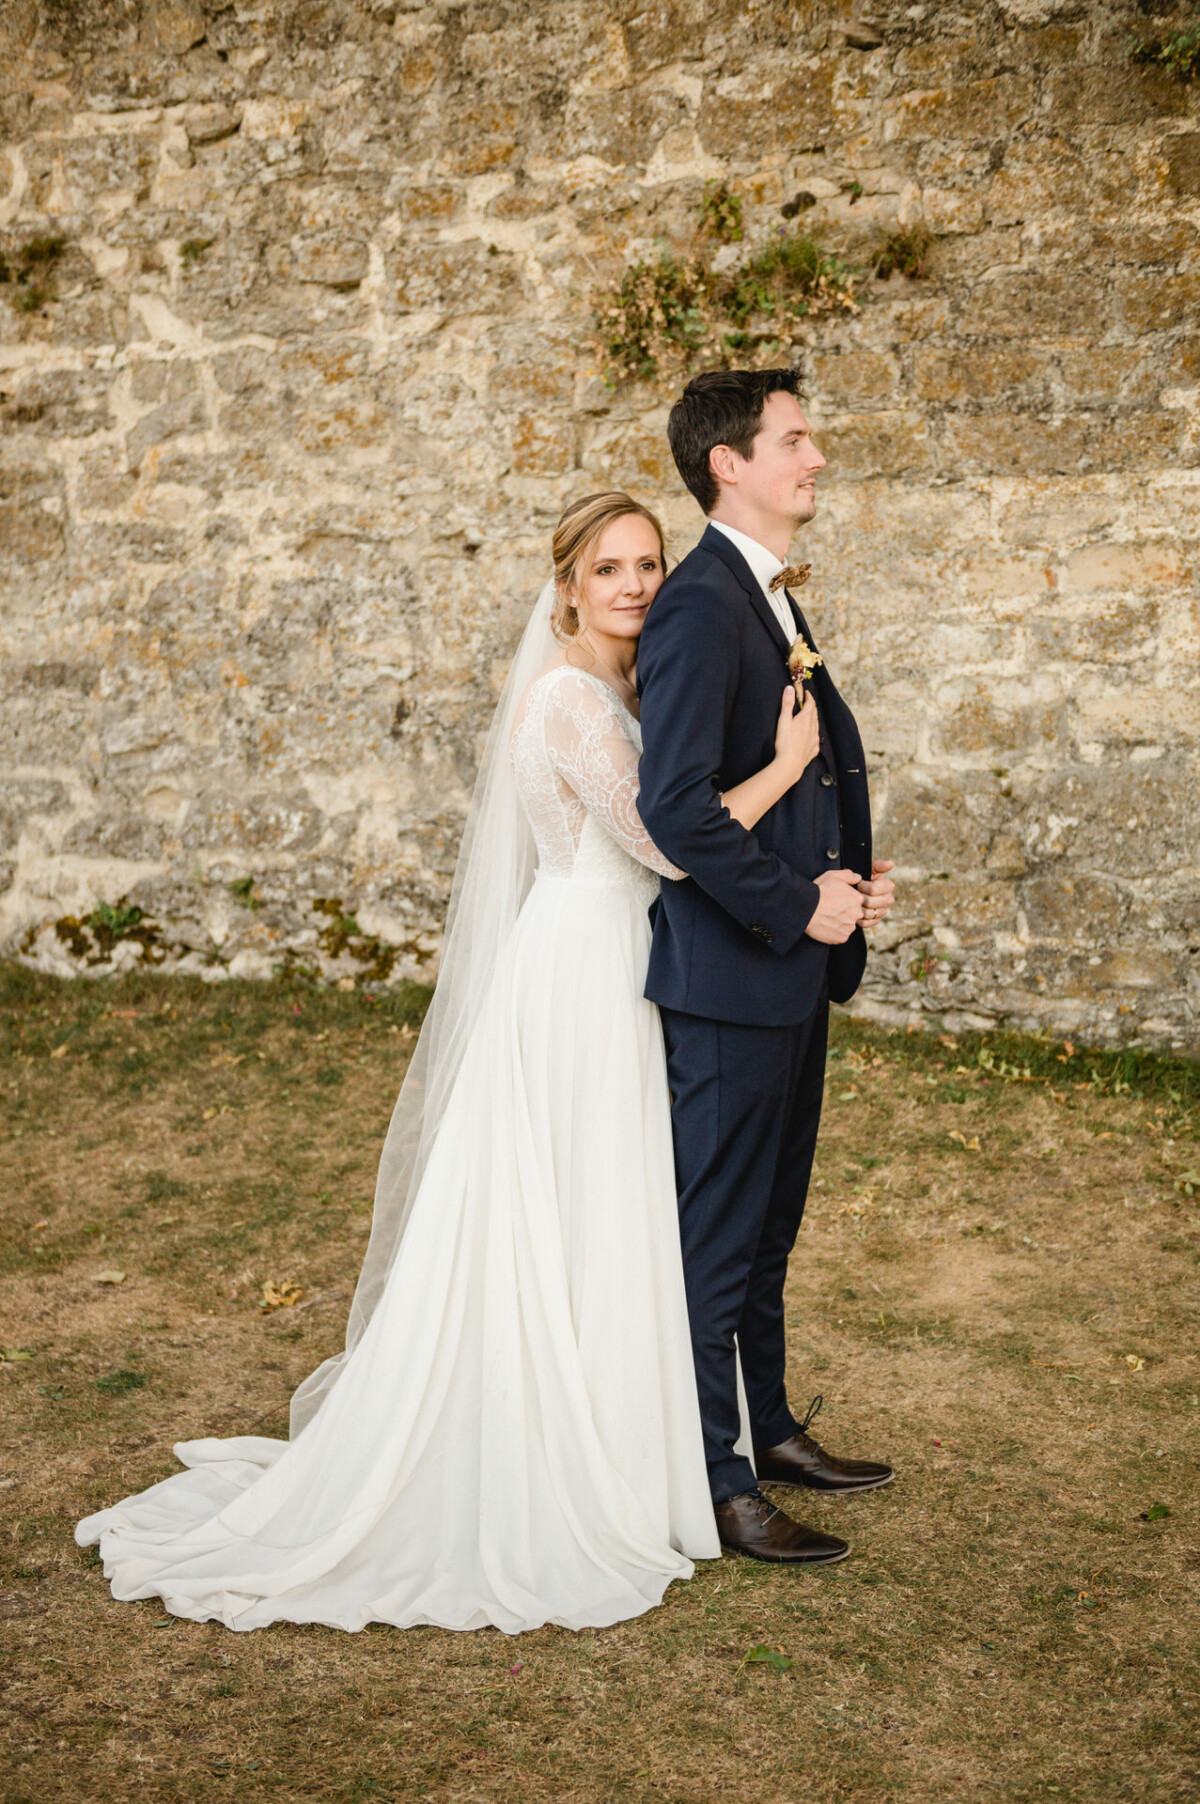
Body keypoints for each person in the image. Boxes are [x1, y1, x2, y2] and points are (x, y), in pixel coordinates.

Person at [76, 491, 827, 1633]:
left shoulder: (627, 688)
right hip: (585, 968)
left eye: (648, 565)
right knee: (582, 1201)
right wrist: (785, 764)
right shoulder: (571, 699)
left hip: (618, 957)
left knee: (610, 1210)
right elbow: (667, 846)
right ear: (566, 584)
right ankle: (570, 1448)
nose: (633, 584)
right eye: (609, 568)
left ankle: (635, 1433)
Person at [636, 368, 898, 1563]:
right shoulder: (698, 608)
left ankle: (774, 1423)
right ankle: (718, 1478)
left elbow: (806, 770)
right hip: (733, 977)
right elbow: (678, 814)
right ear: (727, 462)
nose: (819, 457)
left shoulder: (771, 597)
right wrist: (801, 907)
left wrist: (849, 876)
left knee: (772, 1222)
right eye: (796, 438)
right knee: (719, 1234)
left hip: (791, 962)